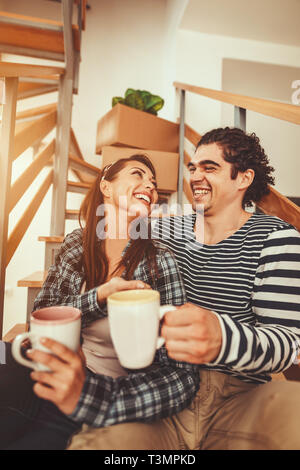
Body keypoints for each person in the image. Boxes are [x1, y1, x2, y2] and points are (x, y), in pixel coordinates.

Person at [69, 127, 300, 450]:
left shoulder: (277, 238)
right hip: (160, 394)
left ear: (243, 178)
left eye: (210, 168)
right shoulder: (161, 227)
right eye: (192, 168)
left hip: (239, 398)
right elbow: (105, 231)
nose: (195, 177)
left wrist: (222, 338)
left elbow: (288, 344)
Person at [0, 154, 200, 450]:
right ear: (106, 187)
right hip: (46, 374)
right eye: (138, 174)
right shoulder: (76, 244)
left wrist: (94, 396)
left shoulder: (160, 260)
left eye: (154, 183)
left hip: (96, 397)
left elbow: (182, 374)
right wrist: (100, 295)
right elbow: (41, 316)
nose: (150, 186)